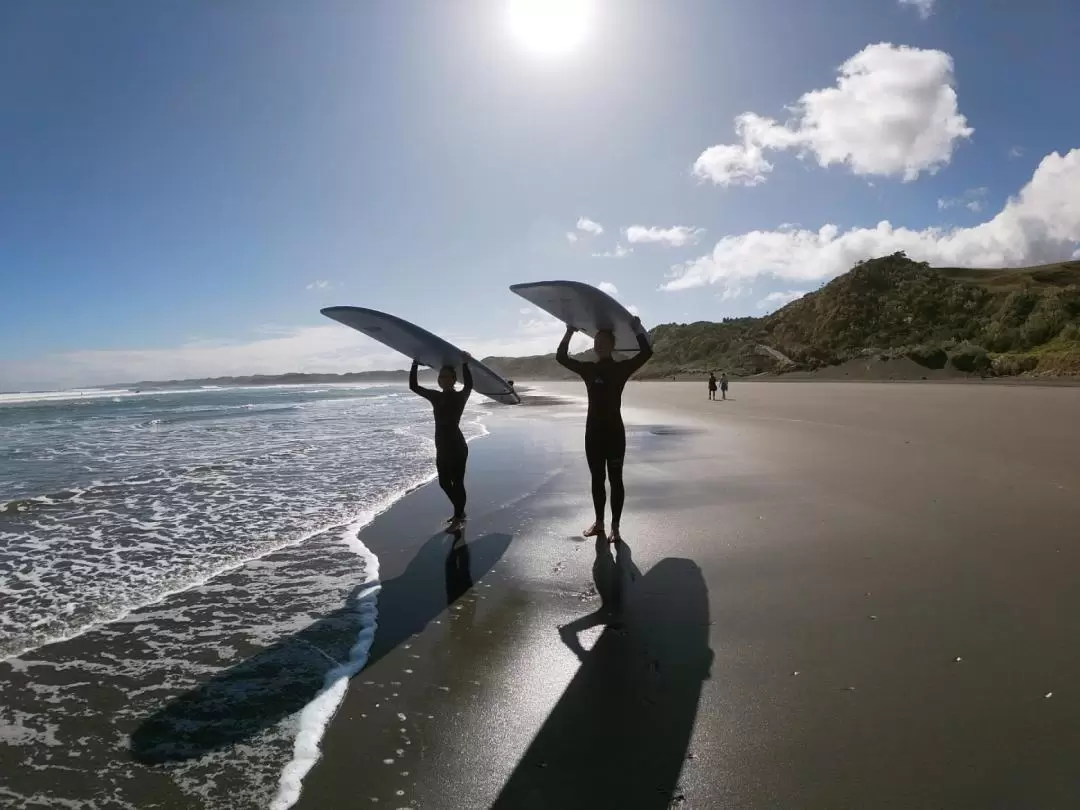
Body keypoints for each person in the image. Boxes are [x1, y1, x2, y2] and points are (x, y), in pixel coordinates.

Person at [556, 318, 653, 542]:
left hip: (614, 434)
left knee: (616, 480)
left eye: (604, 341)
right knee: (597, 480)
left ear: (612, 345)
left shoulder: (621, 369)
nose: (599, 345)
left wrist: (637, 329)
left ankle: (615, 528)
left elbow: (646, 353)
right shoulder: (588, 369)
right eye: (597, 341)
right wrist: (569, 331)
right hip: (593, 435)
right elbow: (561, 358)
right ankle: (599, 523)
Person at [409, 354, 473, 531]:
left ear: (453, 379)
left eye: (446, 376)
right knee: (444, 483)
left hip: (457, 446)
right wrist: (414, 364)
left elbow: (469, 385)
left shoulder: (461, 397)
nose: (442, 379)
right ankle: (460, 512)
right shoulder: (435, 396)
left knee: (457, 482)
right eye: (440, 376)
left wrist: (466, 364)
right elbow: (413, 386)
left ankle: (459, 517)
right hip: (442, 447)